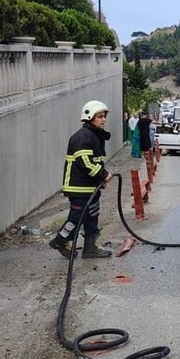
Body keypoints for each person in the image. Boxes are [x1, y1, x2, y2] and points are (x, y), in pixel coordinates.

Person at [49, 101, 113, 259]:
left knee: (92, 215)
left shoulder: (95, 136)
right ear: (89, 117)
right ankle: (61, 239)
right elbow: (84, 161)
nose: (103, 119)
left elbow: (95, 160)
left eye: (104, 116)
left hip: (90, 187)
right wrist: (103, 174)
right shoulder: (82, 137)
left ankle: (90, 248)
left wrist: (99, 180)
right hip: (79, 187)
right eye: (99, 116)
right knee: (77, 216)